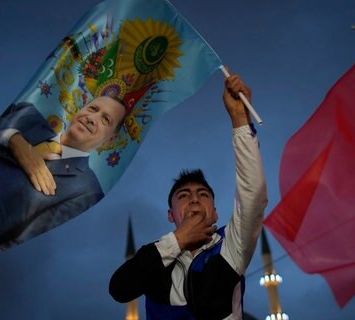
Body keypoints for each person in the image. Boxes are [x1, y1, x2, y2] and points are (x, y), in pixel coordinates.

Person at [109, 73, 268, 319]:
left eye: (202, 194)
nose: (194, 199)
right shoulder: (155, 256)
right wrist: (178, 240)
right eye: (184, 195)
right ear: (170, 214)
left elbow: (252, 195)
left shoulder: (231, 246)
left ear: (214, 211)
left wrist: (239, 118)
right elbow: (119, 289)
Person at [0, 96, 126, 249]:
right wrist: (14, 139)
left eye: (105, 120)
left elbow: (23, 240)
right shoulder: (26, 114)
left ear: (109, 140)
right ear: (80, 109)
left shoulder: (88, 191)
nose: (92, 118)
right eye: (93, 109)